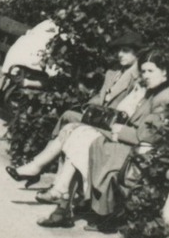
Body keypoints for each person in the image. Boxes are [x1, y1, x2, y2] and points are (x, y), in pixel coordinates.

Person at [36, 53, 169, 230]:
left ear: (164, 72)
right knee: (79, 135)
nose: (146, 75)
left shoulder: (167, 98)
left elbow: (147, 135)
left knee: (83, 138)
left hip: (141, 151)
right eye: (143, 71)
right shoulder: (153, 92)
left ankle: (62, 202)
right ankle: (62, 200)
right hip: (128, 142)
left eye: (151, 71)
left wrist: (120, 131)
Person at [8, 30, 145, 184]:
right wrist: (89, 107)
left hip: (112, 124)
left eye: (126, 51)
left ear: (137, 54)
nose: (120, 54)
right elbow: (100, 97)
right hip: (99, 117)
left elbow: (130, 108)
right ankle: (40, 166)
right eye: (119, 50)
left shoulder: (138, 78)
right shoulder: (113, 72)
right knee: (68, 115)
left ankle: (38, 167)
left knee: (70, 122)